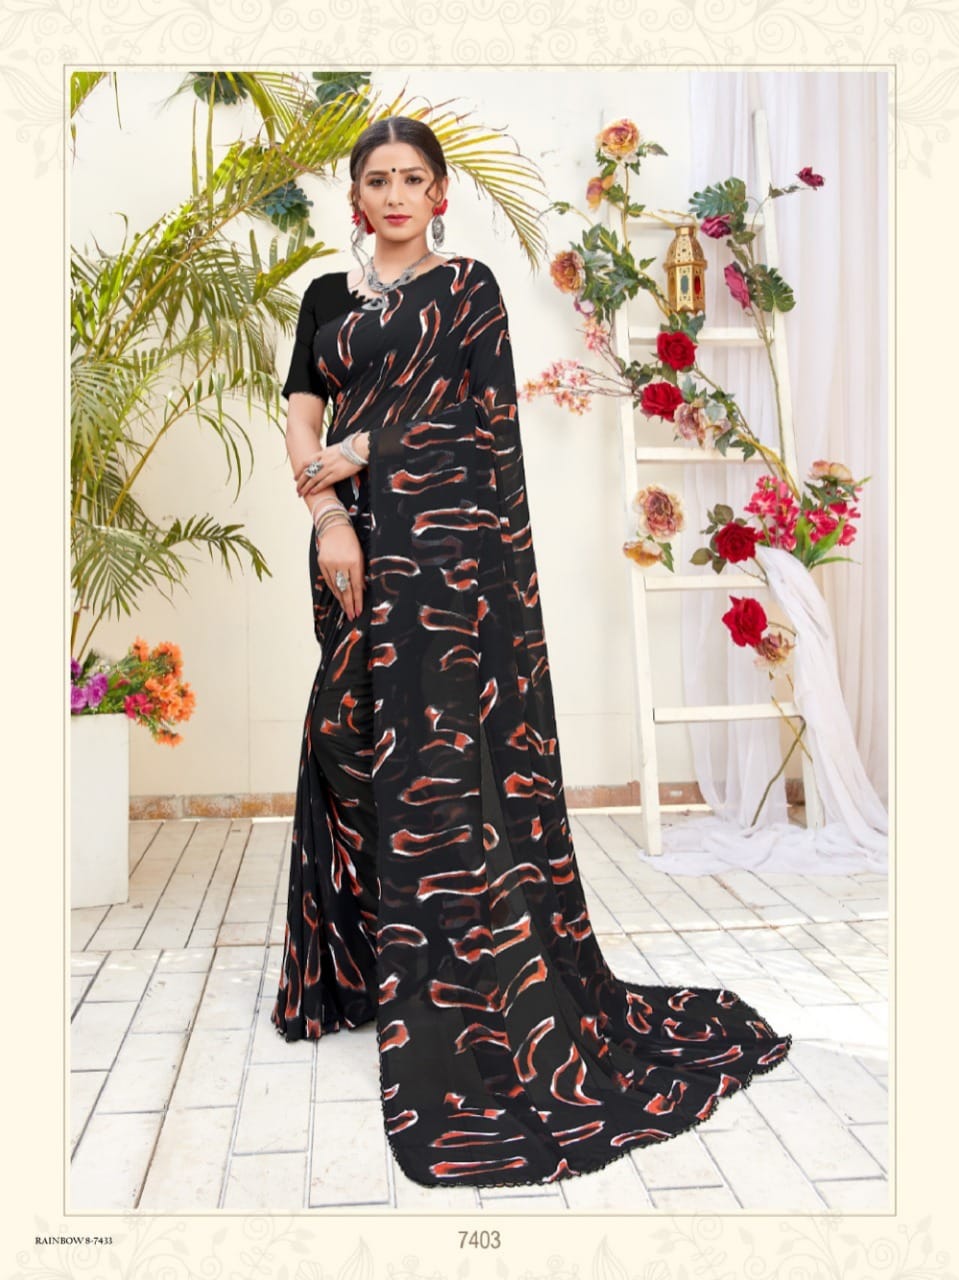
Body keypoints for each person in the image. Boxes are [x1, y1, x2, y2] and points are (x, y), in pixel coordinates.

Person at [271, 115, 792, 1190]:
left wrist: (367, 448)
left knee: (436, 761)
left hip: (447, 554)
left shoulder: (468, 290)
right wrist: (328, 515)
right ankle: (359, 968)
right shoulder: (325, 297)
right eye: (378, 179)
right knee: (341, 737)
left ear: (439, 192)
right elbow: (301, 417)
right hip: (355, 539)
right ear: (355, 195)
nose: (395, 193)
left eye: (414, 177)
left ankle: (456, 972)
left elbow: (483, 424)